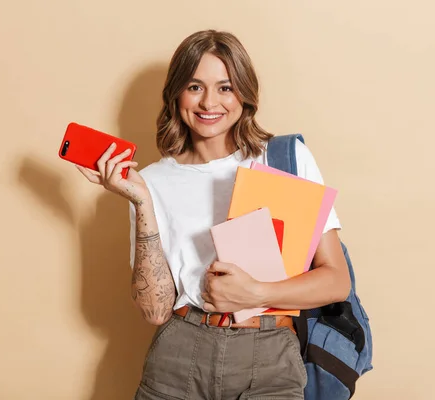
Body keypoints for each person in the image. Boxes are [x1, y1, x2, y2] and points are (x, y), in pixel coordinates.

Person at [77, 29, 351, 400]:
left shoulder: (284, 159)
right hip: (178, 354)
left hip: (269, 355)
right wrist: (141, 201)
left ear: (244, 94)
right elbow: (156, 310)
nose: (209, 102)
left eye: (225, 87)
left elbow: (336, 281)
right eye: (194, 86)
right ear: (176, 94)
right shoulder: (152, 181)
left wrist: (256, 291)